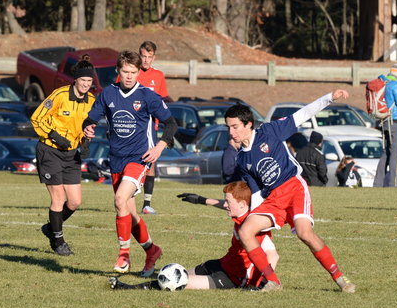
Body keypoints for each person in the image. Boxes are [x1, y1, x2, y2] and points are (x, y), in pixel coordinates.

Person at [224, 90, 356, 292]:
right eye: (228, 127)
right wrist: (254, 219)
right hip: (273, 198)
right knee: (245, 232)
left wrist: (329, 97)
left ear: (248, 124)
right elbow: (257, 192)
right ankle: (272, 282)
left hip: (294, 188)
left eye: (235, 127)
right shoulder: (242, 159)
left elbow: (302, 114)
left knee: (305, 234)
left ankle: (340, 278)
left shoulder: (269, 131)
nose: (231, 132)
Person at [83, 50, 178, 276]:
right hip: (117, 159)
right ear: (118, 71)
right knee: (128, 211)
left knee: (119, 200)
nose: (129, 76)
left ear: (138, 73)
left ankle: (124, 255)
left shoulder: (147, 96)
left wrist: (159, 147)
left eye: (133, 72)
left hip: (139, 158)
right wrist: (88, 127)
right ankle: (152, 250)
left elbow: (171, 124)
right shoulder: (108, 93)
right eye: (125, 71)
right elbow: (90, 118)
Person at [110, 181, 279, 290]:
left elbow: (273, 254)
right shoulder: (240, 213)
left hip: (234, 278)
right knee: (179, 273)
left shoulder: (254, 225)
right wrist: (200, 199)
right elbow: (223, 204)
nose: (225, 205)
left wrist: (261, 282)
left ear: (242, 204)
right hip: (221, 264)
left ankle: (130, 288)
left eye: (228, 202)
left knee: (178, 282)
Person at [31, 55, 96, 256]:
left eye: (89, 81)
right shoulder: (59, 95)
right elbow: (36, 119)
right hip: (50, 150)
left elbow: (87, 126)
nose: (86, 84)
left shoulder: (91, 101)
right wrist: (55, 136)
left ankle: (51, 228)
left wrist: (86, 141)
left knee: (75, 202)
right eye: (83, 80)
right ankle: (58, 241)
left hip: (71, 154)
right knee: (58, 198)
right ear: (75, 79)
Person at [137, 41, 169, 214]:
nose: (146, 60)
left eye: (149, 57)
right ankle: (124, 198)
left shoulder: (158, 75)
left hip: (150, 126)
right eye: (143, 56)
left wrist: (166, 126)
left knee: (150, 162)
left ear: (154, 57)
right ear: (139, 55)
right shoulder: (130, 72)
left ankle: (146, 204)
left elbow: (162, 102)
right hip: (131, 125)